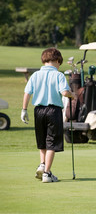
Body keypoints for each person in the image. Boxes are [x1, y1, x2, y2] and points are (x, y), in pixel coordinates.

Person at [21, 47, 73, 183]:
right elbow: (65, 93)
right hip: (53, 111)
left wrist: (24, 109)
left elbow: (27, 93)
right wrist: (72, 95)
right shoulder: (59, 75)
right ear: (57, 60)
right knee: (52, 142)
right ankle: (47, 174)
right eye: (59, 63)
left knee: (42, 140)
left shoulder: (35, 75)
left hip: (38, 111)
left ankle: (42, 164)